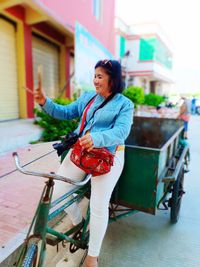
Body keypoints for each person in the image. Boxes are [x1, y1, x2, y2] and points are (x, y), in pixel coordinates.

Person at [34, 59, 134, 267]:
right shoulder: (88, 97)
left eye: (100, 76)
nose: (95, 80)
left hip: (108, 156)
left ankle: (92, 257)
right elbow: (65, 112)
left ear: (112, 79)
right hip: (81, 152)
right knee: (58, 194)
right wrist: (44, 101)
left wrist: (97, 138)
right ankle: (78, 221)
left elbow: (122, 132)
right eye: (94, 75)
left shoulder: (125, 104)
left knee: (98, 206)